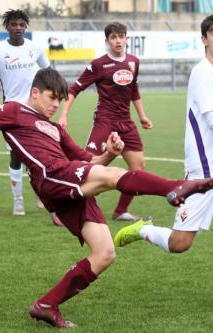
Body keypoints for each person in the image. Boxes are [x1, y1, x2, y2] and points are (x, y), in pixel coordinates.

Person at [0, 68, 213, 329]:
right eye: (52, 97)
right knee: (111, 180)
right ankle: (177, 186)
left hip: (69, 179)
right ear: (35, 93)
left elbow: (89, 161)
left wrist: (109, 154)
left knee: (105, 253)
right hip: (51, 177)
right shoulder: (12, 111)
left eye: (60, 99)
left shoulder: (56, 129)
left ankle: (47, 306)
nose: (56, 104)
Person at [114, 14, 213, 316]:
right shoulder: (201, 73)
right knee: (180, 243)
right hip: (203, 170)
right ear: (204, 40)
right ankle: (144, 230)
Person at [58, 22, 153, 222]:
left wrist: (142, 116)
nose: (118, 40)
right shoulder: (98, 65)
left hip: (126, 122)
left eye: (121, 36)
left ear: (127, 38)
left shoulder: (134, 61)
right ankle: (66, 205)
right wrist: (64, 115)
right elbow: (74, 89)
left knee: (138, 167)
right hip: (105, 121)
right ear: (107, 41)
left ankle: (120, 211)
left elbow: (134, 90)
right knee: (87, 168)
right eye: (113, 37)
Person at [0, 9, 50, 216]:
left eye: (21, 25)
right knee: (16, 157)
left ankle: (39, 191)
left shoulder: (35, 48)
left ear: (25, 27)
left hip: (35, 110)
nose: (17, 28)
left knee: (38, 155)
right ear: (6, 27)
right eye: (13, 25)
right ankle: (18, 200)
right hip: (11, 112)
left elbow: (48, 72)